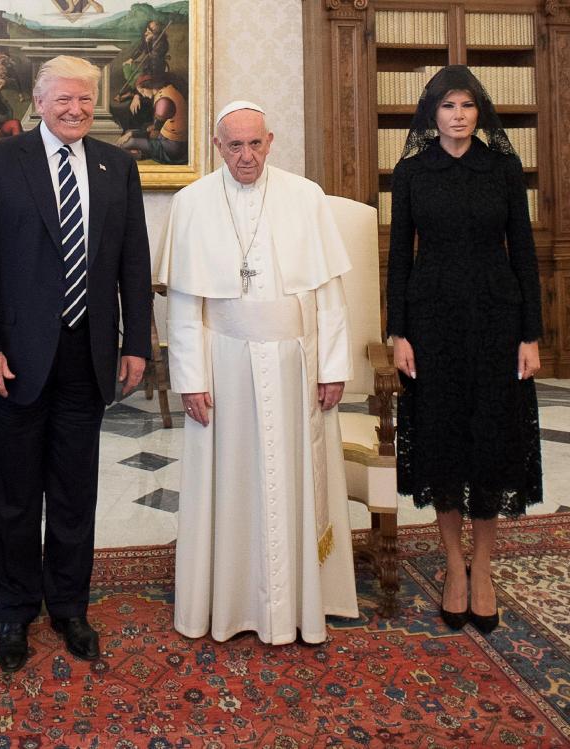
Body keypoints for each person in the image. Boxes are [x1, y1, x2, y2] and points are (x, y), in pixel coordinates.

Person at [0, 55, 151, 672]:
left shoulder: (116, 165)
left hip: (87, 355)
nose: (74, 111)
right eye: (62, 100)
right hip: (11, 358)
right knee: (12, 492)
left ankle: (69, 605)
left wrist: (136, 344)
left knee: (75, 490)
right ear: (37, 102)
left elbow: (133, 267)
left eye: (85, 102)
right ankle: (15, 608)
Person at [156, 100, 359, 645]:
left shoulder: (305, 196)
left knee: (295, 477)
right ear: (217, 147)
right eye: (234, 145)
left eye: (255, 144)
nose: (246, 156)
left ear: (271, 141)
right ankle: (229, 601)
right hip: (223, 365)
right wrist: (191, 379)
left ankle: (301, 601)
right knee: (231, 480)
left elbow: (328, 296)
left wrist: (333, 366)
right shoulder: (192, 202)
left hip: (297, 364)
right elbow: (184, 304)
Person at [387, 65, 542, 634]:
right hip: (431, 324)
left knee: (491, 443)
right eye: (448, 106)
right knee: (443, 442)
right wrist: (399, 333)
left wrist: (531, 335)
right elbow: (399, 257)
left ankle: (485, 569)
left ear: (480, 113)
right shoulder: (410, 172)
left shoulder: (503, 168)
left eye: (468, 106)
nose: (458, 115)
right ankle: (454, 565)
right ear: (432, 112)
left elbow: (523, 253)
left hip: (497, 322)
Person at [116, 74, 188, 164]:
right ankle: (142, 153)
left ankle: (142, 154)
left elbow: (154, 134)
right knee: (128, 135)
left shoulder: (163, 102)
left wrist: (132, 134)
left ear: (149, 86)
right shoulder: (167, 90)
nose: (143, 95)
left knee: (127, 143)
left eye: (142, 91)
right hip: (169, 140)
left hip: (172, 146)